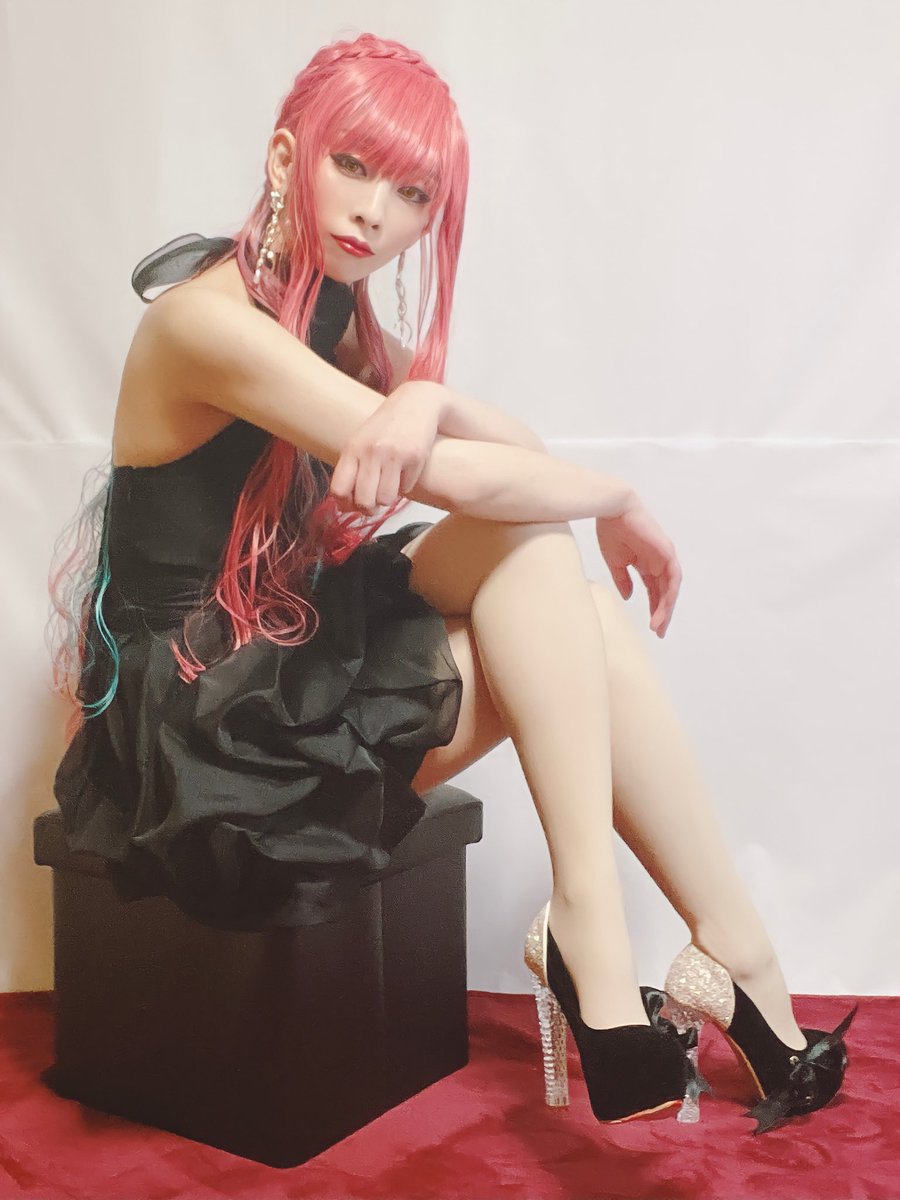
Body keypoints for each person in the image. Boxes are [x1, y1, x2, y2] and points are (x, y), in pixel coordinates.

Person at [48, 31, 854, 1132]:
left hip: (281, 650)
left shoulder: (334, 313)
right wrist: (617, 494)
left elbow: (505, 462)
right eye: (352, 166)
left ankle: (704, 943)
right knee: (551, 568)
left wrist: (428, 397)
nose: (375, 211)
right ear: (286, 160)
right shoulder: (204, 324)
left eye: (412, 192)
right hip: (201, 732)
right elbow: (470, 478)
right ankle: (647, 938)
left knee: (545, 566)